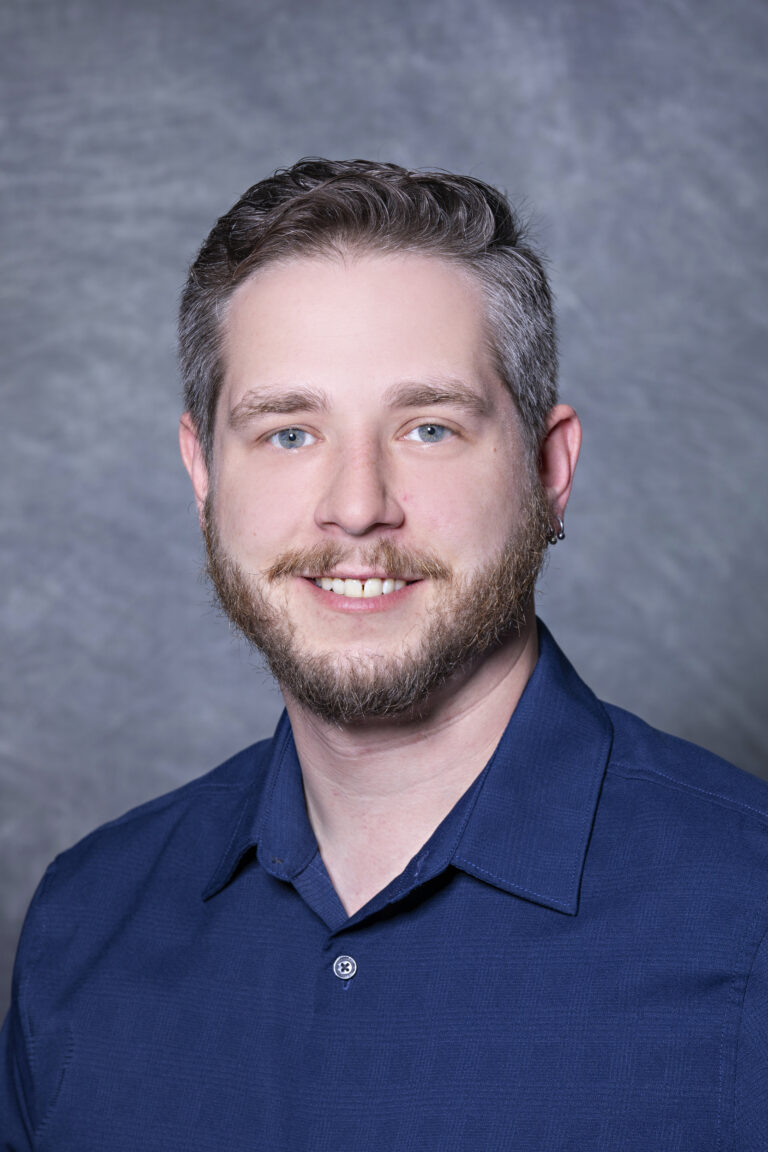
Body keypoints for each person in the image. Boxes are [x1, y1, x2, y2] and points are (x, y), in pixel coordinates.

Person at [2, 159, 767, 1150]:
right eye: (288, 434)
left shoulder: (747, 913)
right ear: (202, 473)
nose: (358, 504)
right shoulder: (84, 928)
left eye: (430, 427)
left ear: (549, 469)